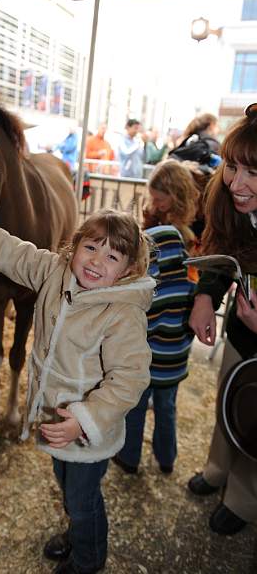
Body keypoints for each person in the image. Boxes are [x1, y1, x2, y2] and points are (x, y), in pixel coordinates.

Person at [0, 197, 155, 574]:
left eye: (112, 257)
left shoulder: (122, 313)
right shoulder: (53, 273)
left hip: (88, 432)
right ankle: (77, 534)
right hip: (56, 421)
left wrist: (85, 419)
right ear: (73, 245)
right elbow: (6, 249)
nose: (95, 261)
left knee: (83, 498)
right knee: (65, 483)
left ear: (128, 270)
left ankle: (89, 558)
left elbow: (131, 379)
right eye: (90, 247)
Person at [187, 105, 257, 536]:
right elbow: (227, 254)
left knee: (256, 422)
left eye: (254, 173)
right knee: (228, 402)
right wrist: (204, 297)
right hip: (241, 334)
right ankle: (217, 469)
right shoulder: (237, 208)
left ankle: (243, 499)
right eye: (232, 167)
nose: (237, 183)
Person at [113, 160, 197, 475]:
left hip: (151, 347)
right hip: (176, 349)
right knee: (167, 406)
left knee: (136, 405)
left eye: (158, 199)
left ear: (172, 198)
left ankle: (129, 457)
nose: (153, 204)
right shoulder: (189, 238)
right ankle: (167, 458)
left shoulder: (156, 238)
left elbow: (146, 294)